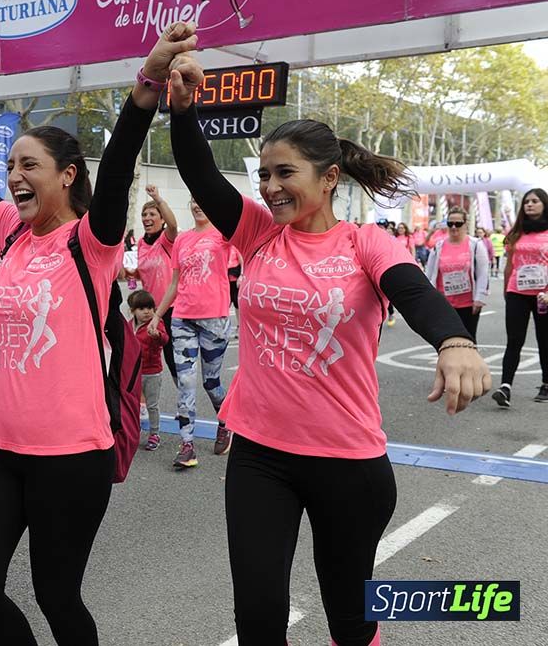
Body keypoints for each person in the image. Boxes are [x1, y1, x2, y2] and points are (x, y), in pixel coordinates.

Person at [167, 50, 490, 646]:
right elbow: (200, 174)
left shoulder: (366, 242)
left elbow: (413, 291)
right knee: (258, 618)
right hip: (260, 456)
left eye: (284, 173)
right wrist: (182, 109)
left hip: (348, 462)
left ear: (329, 177)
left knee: (349, 619)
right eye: (264, 175)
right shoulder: (259, 233)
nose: (270, 187)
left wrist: (453, 340)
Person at [0, 22, 193, 646]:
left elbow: (114, 176)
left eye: (29, 165)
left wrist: (147, 85)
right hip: (0, 450)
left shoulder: (92, 243)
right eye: (11, 165)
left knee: (58, 596)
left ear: (67, 176)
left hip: (73, 456)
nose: (14, 175)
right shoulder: (10, 233)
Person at [150, 199, 233, 468]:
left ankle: (225, 421)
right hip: (182, 318)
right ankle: (187, 446)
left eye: (202, 200)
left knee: (211, 383)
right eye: (194, 201)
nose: (198, 205)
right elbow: (175, 282)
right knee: (185, 383)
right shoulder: (182, 240)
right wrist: (157, 315)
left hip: (214, 318)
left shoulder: (222, 234)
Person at [491, 188, 548, 407]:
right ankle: (505, 386)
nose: (529, 205)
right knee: (514, 340)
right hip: (517, 293)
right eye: (526, 202)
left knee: (544, 340)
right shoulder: (516, 232)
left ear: (544, 204)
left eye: (534, 201)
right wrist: (507, 291)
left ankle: (546, 383)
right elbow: (509, 265)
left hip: (543, 296)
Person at [127, 184, 178, 383]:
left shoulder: (167, 239)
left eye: (152, 214)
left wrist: (158, 199)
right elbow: (143, 272)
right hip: (149, 310)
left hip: (170, 308)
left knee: (172, 357)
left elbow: (173, 225)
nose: (147, 218)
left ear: (162, 219)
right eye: (144, 214)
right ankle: (144, 402)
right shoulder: (140, 242)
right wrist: (130, 274)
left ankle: (185, 404)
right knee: (146, 357)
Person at [425, 208, 489, 340]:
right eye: (450, 224)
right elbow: (429, 274)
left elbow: (483, 273)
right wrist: (430, 300)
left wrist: (479, 298)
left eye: (458, 224)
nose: (454, 227)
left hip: (468, 304)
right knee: (446, 341)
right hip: (444, 303)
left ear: (466, 224)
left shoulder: (476, 245)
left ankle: (470, 361)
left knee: (468, 340)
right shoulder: (438, 247)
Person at [129, 290, 168, 451]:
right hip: (134, 372)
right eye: (142, 308)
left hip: (152, 372)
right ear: (133, 311)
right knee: (132, 404)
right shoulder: (130, 325)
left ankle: (154, 433)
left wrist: (157, 335)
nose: (147, 312)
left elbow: (165, 339)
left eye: (150, 308)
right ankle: (133, 431)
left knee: (152, 405)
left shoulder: (156, 324)